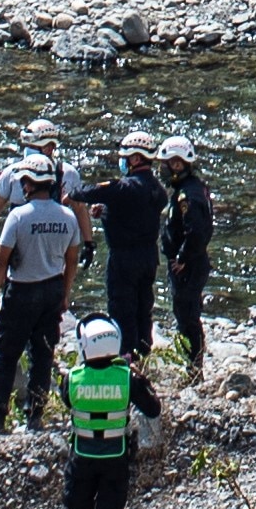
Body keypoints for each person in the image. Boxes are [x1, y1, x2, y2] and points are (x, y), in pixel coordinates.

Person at [59, 314, 164, 509]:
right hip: (115, 459)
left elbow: (66, 400)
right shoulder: (127, 378)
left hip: (81, 458)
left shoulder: (72, 378)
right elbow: (153, 409)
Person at [0, 156, 88, 429]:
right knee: (43, 356)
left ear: (30, 184)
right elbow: (72, 260)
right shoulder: (67, 216)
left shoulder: (18, 216)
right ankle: (34, 416)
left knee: (7, 355)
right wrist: (65, 294)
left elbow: (1, 260)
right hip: (52, 289)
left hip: (21, 290)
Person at [88, 140, 169, 359]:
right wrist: (106, 212)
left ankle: (126, 358)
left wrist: (72, 195)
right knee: (144, 309)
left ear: (134, 159)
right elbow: (133, 213)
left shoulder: (127, 187)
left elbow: (93, 192)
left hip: (124, 259)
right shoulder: (158, 190)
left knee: (122, 310)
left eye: (124, 157)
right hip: (149, 257)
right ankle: (143, 354)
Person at [158, 134, 215, 370]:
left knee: (187, 317)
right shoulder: (192, 188)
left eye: (171, 164)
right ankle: (192, 364)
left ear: (181, 164)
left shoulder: (188, 195)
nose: (165, 169)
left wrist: (182, 257)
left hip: (188, 266)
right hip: (189, 263)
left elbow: (198, 232)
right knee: (185, 313)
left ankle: (193, 367)